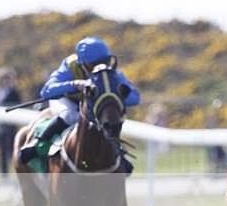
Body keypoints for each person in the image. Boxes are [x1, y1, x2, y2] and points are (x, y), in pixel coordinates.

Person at [18, 37, 140, 167]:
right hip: (69, 101)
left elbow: (135, 98)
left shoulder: (111, 72)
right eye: (95, 64)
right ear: (83, 64)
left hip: (93, 106)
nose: (101, 67)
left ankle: (117, 152)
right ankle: (38, 144)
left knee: (109, 119)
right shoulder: (70, 66)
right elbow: (46, 91)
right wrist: (74, 84)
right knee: (71, 116)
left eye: (105, 61)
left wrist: (121, 93)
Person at [0, 67, 21, 176]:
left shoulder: (14, 93)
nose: (5, 81)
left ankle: (18, 172)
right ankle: (4, 175)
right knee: (1, 153)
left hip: (10, 127)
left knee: (13, 151)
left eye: (7, 78)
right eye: (3, 79)